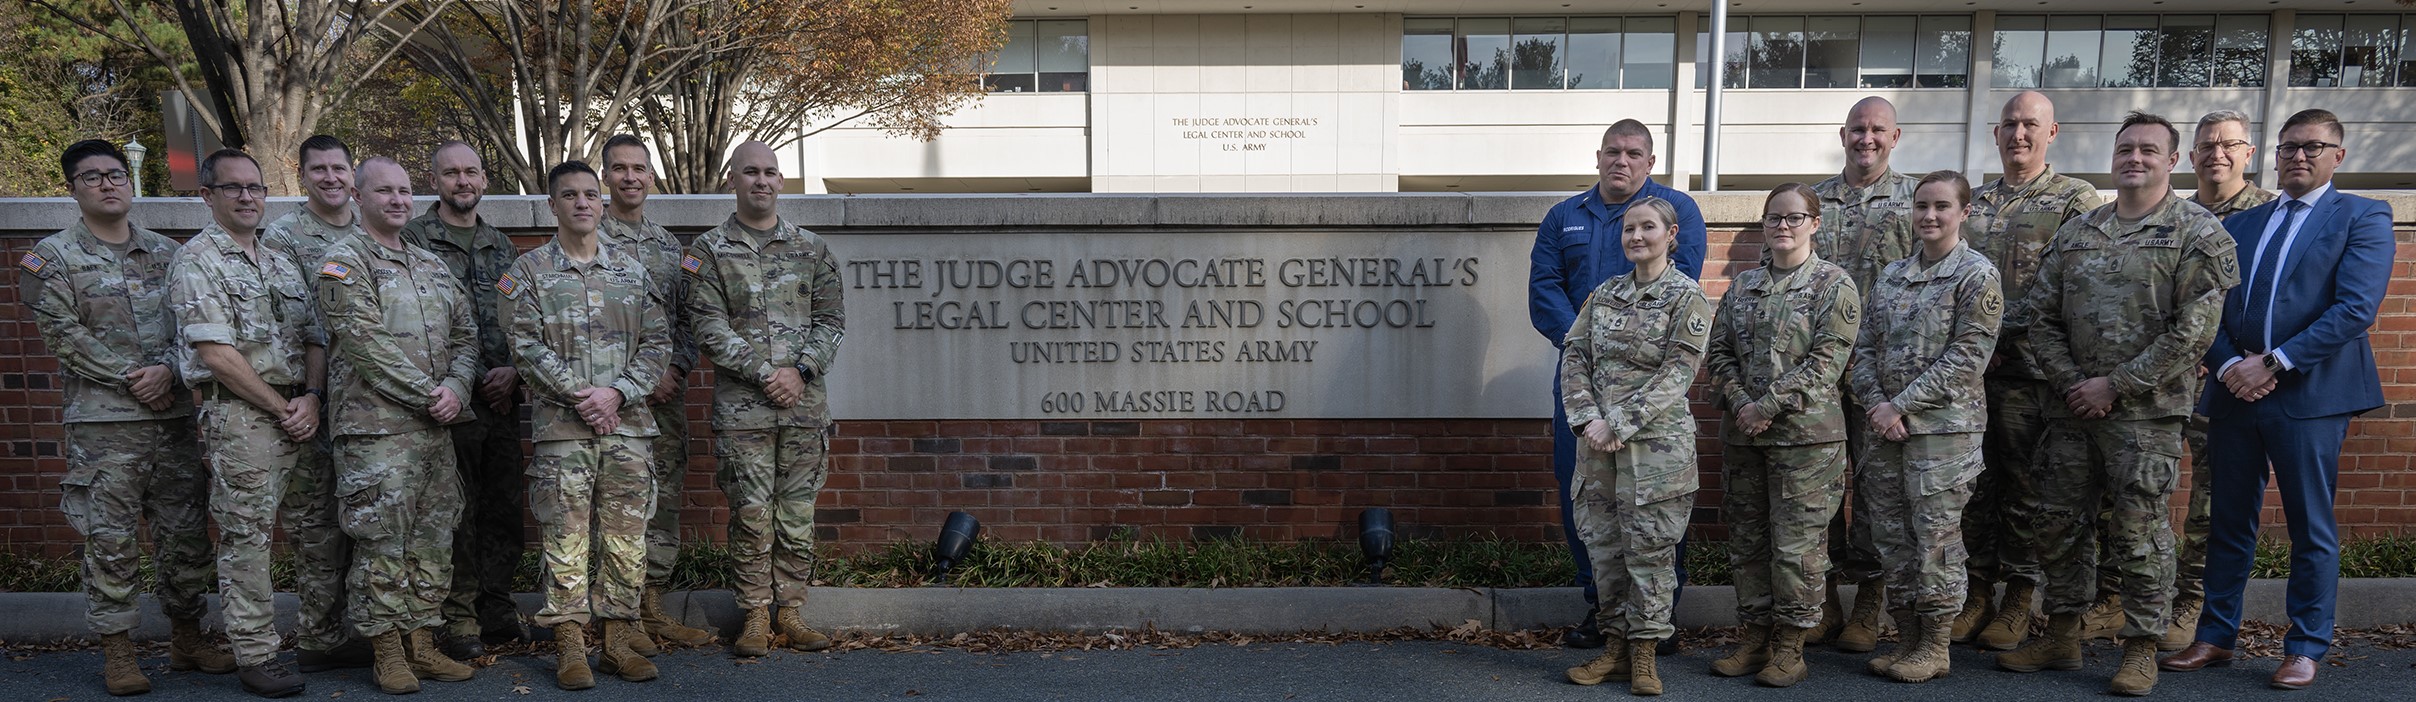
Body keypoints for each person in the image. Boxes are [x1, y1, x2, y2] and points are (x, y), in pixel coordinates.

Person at [1999, 111, 2238, 697]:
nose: (2135, 157)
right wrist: (2072, 384)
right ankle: (2061, 635)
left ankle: (2140, 649)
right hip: (2071, 410)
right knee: (2057, 525)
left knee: (2138, 532)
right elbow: (2039, 318)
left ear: (2172, 161)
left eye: (2149, 150)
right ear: (2113, 156)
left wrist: (2115, 386)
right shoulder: (2079, 230)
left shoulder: (2198, 233)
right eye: (2126, 147)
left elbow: (2194, 333)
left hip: (2146, 416)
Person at [2162, 108, 2396, 691]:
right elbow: (2204, 305)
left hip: (2310, 395)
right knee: (2227, 521)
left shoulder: (2363, 216)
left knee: (2308, 524)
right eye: (2289, 147)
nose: (2298, 156)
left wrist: (2271, 363)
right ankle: (2215, 637)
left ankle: (2304, 645)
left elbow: (2354, 309)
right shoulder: (2245, 223)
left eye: (2313, 147)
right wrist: (2226, 364)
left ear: (2337, 156)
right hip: (2236, 391)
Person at [20, 139, 234, 695]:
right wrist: (135, 378)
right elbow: (64, 336)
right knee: (111, 541)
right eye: (92, 177)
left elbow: (194, 325)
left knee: (185, 535)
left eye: (115, 174)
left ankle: (187, 640)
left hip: (171, 422)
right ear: (73, 188)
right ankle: (118, 652)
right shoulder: (53, 258)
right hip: (104, 429)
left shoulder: (170, 254)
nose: (108, 184)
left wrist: (167, 370)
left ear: (130, 181)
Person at [1528, 119, 1706, 651]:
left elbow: (1682, 286)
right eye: (1612, 152)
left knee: (1655, 501)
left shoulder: (1678, 213)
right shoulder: (1564, 217)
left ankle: (1657, 621)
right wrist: (1584, 351)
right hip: (1581, 390)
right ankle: (1602, 611)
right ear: (1598, 157)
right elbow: (1544, 292)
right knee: (1583, 496)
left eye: (1633, 153)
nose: (1620, 161)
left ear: (1650, 162)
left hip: (1652, 394)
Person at [313, 157, 481, 693]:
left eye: (405, 191)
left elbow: (466, 337)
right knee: (382, 540)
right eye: (384, 191)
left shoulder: (432, 265)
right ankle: (387, 653)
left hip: (435, 429)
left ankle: (422, 644)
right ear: (358, 197)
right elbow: (364, 343)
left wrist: (456, 389)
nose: (397, 200)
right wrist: (431, 393)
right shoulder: (342, 262)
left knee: (433, 537)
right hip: (376, 431)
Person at [504, 161, 672, 689]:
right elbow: (524, 347)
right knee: (566, 540)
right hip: (563, 431)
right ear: (552, 205)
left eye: (590, 195)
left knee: (626, 541)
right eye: (570, 195)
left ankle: (618, 643)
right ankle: (571, 646)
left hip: (627, 430)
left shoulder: (633, 272)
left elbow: (658, 344)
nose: (582, 203)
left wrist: (616, 393)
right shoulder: (527, 273)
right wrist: (584, 396)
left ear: (601, 204)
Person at [166, 148, 326, 698]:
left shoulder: (280, 260)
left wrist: (310, 396)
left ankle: (323, 637)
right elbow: (216, 353)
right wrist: (283, 408)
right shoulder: (197, 261)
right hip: (242, 416)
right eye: (232, 188)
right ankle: (256, 654)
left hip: (298, 410)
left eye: (255, 187)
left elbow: (313, 336)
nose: (246, 197)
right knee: (248, 537)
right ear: (207, 196)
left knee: (316, 527)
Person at [686, 141, 847, 657]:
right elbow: (707, 326)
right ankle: (755, 614)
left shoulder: (813, 249)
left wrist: (799, 372)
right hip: (743, 412)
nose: (761, 180)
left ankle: (792, 613)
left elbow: (832, 323)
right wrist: (764, 374)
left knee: (797, 512)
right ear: (733, 179)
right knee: (751, 513)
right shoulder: (708, 251)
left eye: (771, 172)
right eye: (750, 172)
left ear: (782, 181)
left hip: (804, 409)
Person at [1959, 92, 2103, 651]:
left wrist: (2000, 335)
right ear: (1996, 133)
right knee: (1973, 485)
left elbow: (2075, 286)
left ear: (2052, 132)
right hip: (1971, 376)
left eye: (2030, 125)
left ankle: (2020, 597)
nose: (2019, 134)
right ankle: (1977, 594)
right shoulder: (1975, 202)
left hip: (2033, 376)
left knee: (2024, 488)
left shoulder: (2075, 201)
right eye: (2010, 124)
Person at [1703, 183, 1861, 688]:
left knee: (1797, 548)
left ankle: (1791, 646)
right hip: (1746, 438)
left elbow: (1827, 363)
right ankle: (1754, 637)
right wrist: (1742, 403)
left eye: (1795, 218)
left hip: (1806, 443)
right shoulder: (1744, 286)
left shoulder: (1835, 286)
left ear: (1815, 224)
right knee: (1749, 544)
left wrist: (1766, 406)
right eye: (1774, 218)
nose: (1783, 227)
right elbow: (1719, 352)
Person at [1848, 170, 2002, 684]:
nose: (1929, 216)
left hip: (1943, 433)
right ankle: (1909, 639)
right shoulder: (1892, 275)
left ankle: (1936, 645)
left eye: (1941, 207)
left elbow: (1968, 356)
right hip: (1885, 430)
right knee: (1893, 538)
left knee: (1935, 538)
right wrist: (1876, 405)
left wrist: (1901, 406)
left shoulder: (1976, 276)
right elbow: (1863, 348)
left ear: (1965, 212)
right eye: (1921, 206)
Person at [1556, 197, 1712, 697]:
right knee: (1605, 551)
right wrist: (1587, 420)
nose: (1636, 236)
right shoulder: (1604, 295)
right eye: (1629, 229)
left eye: (1648, 227)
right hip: (1598, 448)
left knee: (1650, 553)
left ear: (1671, 236)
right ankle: (1615, 649)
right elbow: (1574, 354)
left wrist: (1618, 422)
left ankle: (1645, 656)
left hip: (1656, 453)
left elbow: (1678, 375)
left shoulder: (1687, 298)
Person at [401, 141, 527, 659]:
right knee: (456, 512)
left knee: (503, 508)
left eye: (471, 172)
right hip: (446, 403)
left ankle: (496, 608)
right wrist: (469, 379)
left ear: (483, 180)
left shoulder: (502, 245)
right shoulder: (412, 240)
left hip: (502, 400)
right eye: (451, 173)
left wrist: (515, 372)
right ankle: (459, 618)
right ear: (434, 181)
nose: (463, 181)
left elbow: (523, 319)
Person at [1811, 96, 1921, 653]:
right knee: (1820, 490)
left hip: (1885, 373)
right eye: (1858, 129)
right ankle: (1825, 603)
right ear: (1843, 133)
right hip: (1819, 376)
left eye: (1878, 130)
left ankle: (1870, 607)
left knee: (1879, 494)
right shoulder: (1812, 202)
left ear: (1895, 137)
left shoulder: (1916, 201)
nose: (1867, 138)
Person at [598, 134, 716, 651]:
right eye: (619, 168)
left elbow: (687, 321)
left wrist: (676, 367)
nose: (630, 177)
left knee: (662, 501)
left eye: (638, 168)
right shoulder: (587, 238)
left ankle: (651, 606)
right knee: (612, 506)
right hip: (611, 404)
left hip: (663, 402)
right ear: (605, 177)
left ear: (651, 176)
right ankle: (615, 618)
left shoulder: (670, 247)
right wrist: (635, 380)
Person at [2164, 109, 2275, 653]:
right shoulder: (2176, 215)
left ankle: (2195, 603)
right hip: (2165, 376)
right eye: (2207, 146)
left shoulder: (2271, 213)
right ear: (2191, 156)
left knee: (2214, 499)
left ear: (2248, 153)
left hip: (2226, 378)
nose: (2217, 155)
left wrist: (2231, 358)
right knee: (2140, 491)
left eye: (2229, 145)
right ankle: (2125, 596)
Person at [260, 134, 364, 673]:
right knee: (317, 523)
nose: (330, 178)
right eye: (318, 169)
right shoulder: (280, 238)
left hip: (371, 403)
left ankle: (365, 627)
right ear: (302, 177)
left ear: (353, 175)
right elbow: (289, 327)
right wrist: (309, 397)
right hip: (313, 401)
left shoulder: (376, 227)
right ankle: (321, 637)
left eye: (339, 168)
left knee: (368, 518)